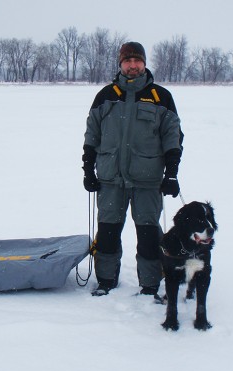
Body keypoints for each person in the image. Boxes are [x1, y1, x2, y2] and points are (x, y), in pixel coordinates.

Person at [82, 41, 184, 297]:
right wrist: (88, 170)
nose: (132, 65)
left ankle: (150, 286)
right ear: (121, 64)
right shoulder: (105, 95)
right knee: (107, 233)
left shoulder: (161, 96)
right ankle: (106, 281)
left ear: (144, 64)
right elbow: (91, 135)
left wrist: (171, 174)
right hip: (110, 180)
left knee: (149, 236)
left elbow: (173, 138)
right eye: (127, 61)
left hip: (147, 181)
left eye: (137, 61)